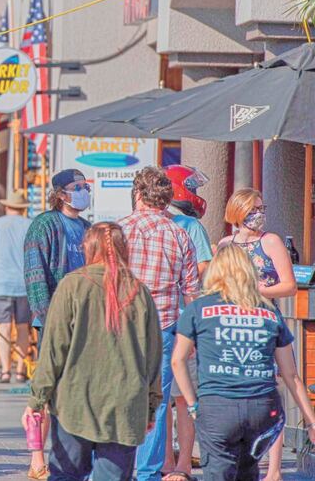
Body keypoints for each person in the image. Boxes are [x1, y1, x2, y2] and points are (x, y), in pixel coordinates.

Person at [23, 222, 163, 481]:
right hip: (125, 404)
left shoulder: (72, 286)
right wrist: (151, 407)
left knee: (67, 474)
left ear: (88, 248)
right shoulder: (139, 292)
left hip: (74, 402)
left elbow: (53, 350)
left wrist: (37, 399)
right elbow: (153, 357)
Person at [172, 244, 315, 481]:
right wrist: (310, 421)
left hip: (217, 406)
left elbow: (178, 361)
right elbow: (291, 375)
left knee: (219, 472)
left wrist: (192, 405)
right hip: (261, 408)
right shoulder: (269, 311)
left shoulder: (198, 309)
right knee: (248, 471)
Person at [119, 166, 200, 481]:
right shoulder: (179, 234)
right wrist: (192, 338)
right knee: (157, 402)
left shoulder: (118, 230)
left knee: (119, 396)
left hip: (120, 326)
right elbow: (191, 291)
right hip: (164, 327)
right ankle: (149, 472)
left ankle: (118, 464)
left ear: (138, 195)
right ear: (167, 200)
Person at [217, 187, 297, 481]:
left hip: (265, 319)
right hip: (233, 322)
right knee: (240, 388)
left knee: (270, 390)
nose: (260, 215)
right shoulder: (225, 244)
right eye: (254, 209)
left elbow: (289, 285)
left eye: (262, 209)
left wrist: (258, 290)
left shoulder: (270, 241)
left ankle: (274, 469)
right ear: (238, 211)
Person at [23, 168, 92, 478]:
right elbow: (35, 276)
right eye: (77, 187)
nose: (83, 191)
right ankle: (37, 457)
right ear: (61, 193)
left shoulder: (88, 228)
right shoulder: (45, 225)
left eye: (85, 186)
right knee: (46, 390)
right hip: (53, 321)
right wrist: (49, 319)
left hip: (87, 323)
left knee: (75, 391)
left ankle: (70, 454)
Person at [163, 165, 213, 480]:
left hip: (160, 318)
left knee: (163, 398)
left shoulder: (157, 223)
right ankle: (182, 465)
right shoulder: (191, 225)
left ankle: (167, 461)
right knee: (183, 397)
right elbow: (204, 267)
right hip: (185, 318)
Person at [0, 190, 32, 384]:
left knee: (3, 328)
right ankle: (20, 370)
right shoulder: (31, 225)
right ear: (23, 209)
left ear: (7, 206)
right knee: (23, 327)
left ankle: (5, 370)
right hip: (25, 285)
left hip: (1, 284)